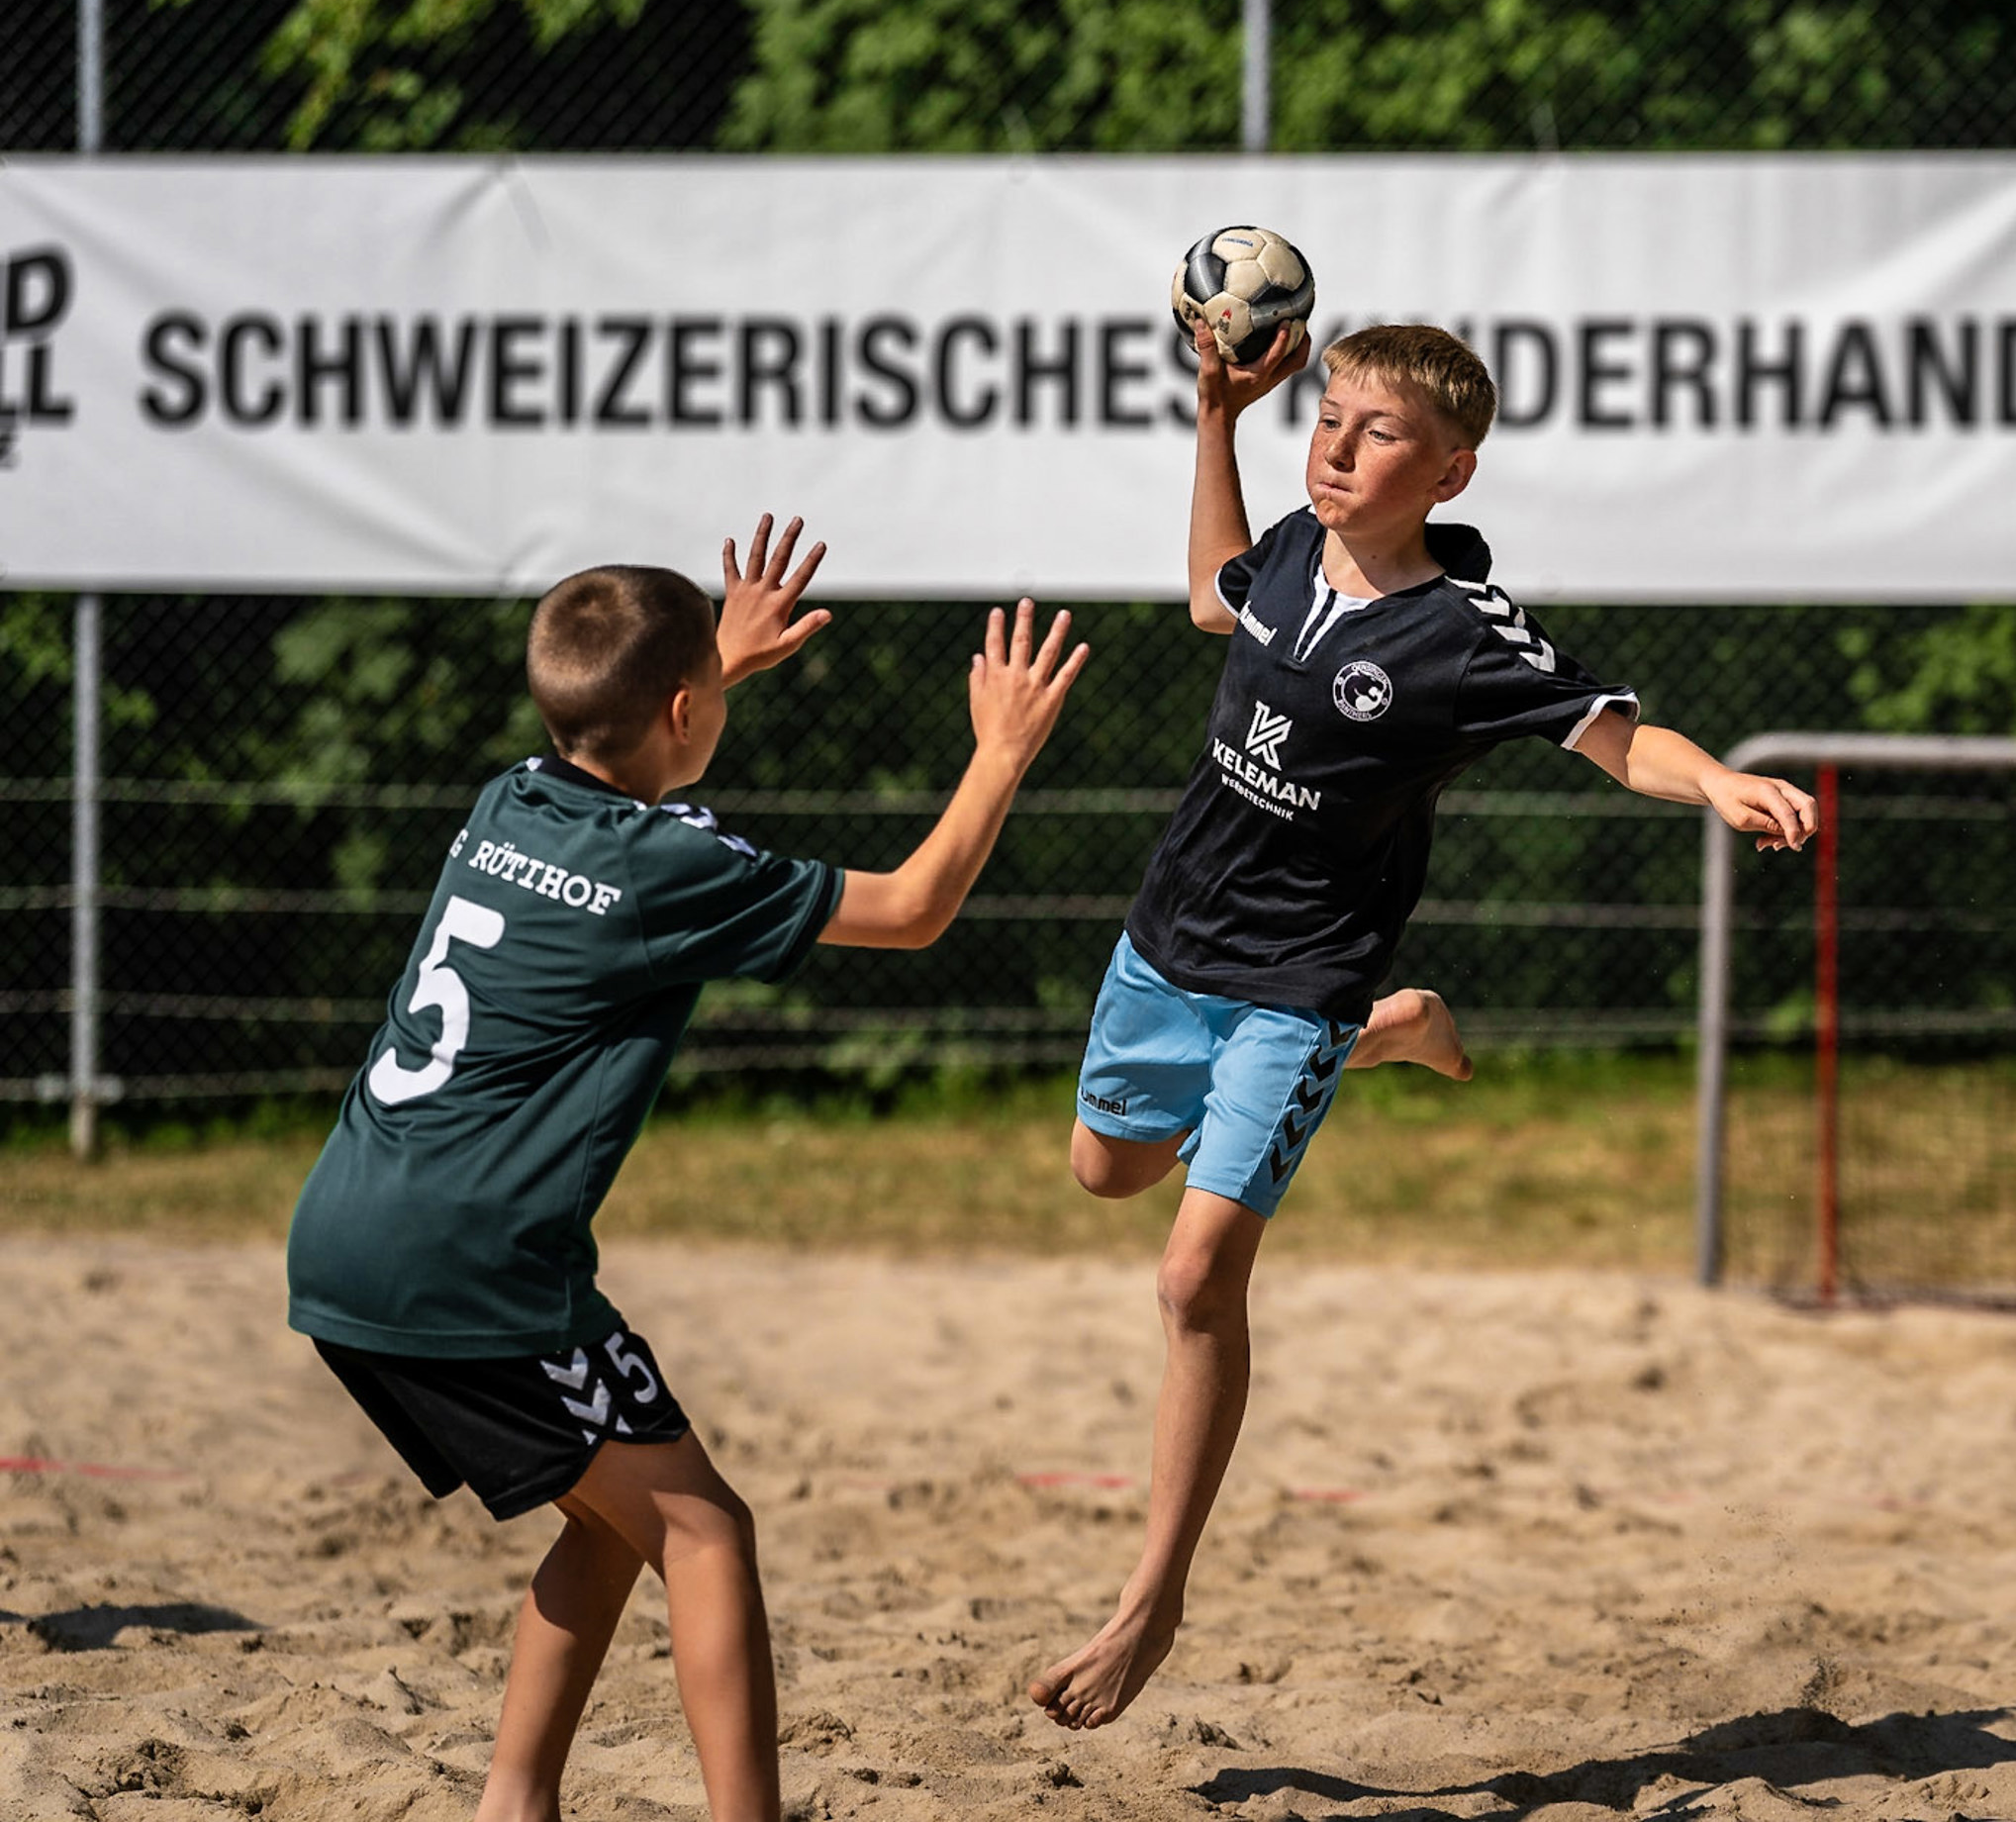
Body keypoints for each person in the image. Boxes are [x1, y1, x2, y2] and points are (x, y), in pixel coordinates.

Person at [1031, 320, 1817, 1731]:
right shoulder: (1287, 547)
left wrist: (1717, 785)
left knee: (1193, 1279)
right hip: (1168, 941)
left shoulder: (1464, 635)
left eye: (1375, 429)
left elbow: (1620, 733)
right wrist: (1214, 418)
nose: (1335, 442)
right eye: (1329, 415)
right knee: (1103, 1171)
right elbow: (1215, 604)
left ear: (1450, 471)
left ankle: (1152, 1600)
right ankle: (1396, 1033)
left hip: (1303, 972)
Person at [283, 519, 1087, 1822]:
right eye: (705, 690)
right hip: (473, 1269)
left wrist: (718, 661)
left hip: (347, 1228)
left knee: (609, 1523)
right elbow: (915, 907)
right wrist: (999, 756)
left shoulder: (510, 798)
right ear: (678, 707)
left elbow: (633, 741)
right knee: (709, 1533)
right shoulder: (661, 869)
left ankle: (514, 1800)